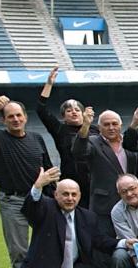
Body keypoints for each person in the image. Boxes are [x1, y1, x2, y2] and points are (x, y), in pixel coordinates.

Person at [3, 168, 116, 268]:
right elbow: (31, 209)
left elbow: (99, 240)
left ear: (79, 196)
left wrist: (123, 243)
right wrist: (38, 186)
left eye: (74, 194)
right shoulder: (46, 209)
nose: (70, 198)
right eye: (65, 194)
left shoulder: (87, 216)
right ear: (56, 195)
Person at [0, 95, 53, 268]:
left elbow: (46, 168)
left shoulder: (37, 138)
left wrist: (55, 192)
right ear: (3, 120)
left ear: (25, 117)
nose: (15, 119)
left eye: (18, 115)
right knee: (19, 252)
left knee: (46, 246)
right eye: (10, 116)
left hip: (39, 200)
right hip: (13, 202)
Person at [73, 108, 138, 237]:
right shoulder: (92, 141)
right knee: (104, 243)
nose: (111, 127)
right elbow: (79, 152)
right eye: (106, 124)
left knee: (132, 241)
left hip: (131, 201)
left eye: (114, 124)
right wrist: (85, 125)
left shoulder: (129, 142)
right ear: (99, 127)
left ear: (120, 125)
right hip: (104, 205)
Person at [35, 66, 94, 206]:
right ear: (63, 116)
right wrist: (49, 84)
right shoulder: (60, 129)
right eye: (69, 110)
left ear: (83, 113)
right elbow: (41, 110)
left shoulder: (95, 130)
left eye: (77, 110)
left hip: (94, 181)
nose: (73, 112)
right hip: (71, 181)